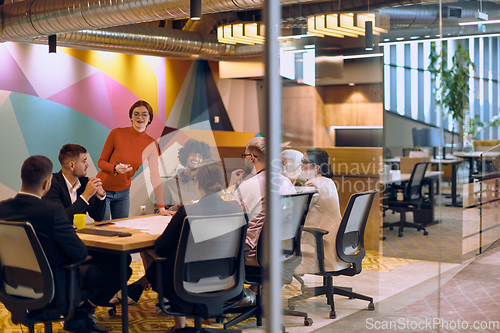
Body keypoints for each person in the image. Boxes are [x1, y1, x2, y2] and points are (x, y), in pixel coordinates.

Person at [0, 156, 124, 333]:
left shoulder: (2, 209)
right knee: (120, 265)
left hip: (12, 284)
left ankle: (79, 314)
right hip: (55, 287)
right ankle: (80, 313)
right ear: (47, 183)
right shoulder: (51, 211)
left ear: (21, 177)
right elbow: (79, 254)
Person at [146, 160, 243, 331]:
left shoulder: (186, 211)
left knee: (161, 265)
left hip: (187, 279)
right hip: (225, 275)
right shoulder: (235, 208)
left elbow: (162, 247)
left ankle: (180, 327)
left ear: (198, 183)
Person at [224, 137, 296, 304]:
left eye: (245, 155)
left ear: (252, 157)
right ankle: (251, 292)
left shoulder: (249, 185)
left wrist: (232, 186)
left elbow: (226, 213)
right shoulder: (286, 182)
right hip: (282, 249)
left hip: (256, 253)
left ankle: (227, 296)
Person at [97, 100, 169, 220]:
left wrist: (161, 207)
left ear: (150, 118)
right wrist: (115, 168)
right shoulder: (116, 133)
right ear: (131, 117)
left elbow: (155, 175)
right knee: (104, 228)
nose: (140, 117)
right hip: (102, 190)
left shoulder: (151, 144)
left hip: (123, 193)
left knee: (122, 229)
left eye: (144, 114)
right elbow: (101, 162)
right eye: (136, 114)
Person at [295, 148, 350, 274]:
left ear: (317, 167)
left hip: (320, 242)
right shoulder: (328, 182)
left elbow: (298, 211)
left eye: (305, 162)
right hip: (335, 241)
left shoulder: (312, 184)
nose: (301, 165)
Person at [44, 144, 106, 222]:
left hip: (80, 232)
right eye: (84, 161)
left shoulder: (84, 182)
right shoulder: (51, 184)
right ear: (72, 165)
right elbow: (60, 218)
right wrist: (85, 196)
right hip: (60, 233)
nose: (87, 165)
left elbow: (97, 216)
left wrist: (101, 195)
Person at [161, 138, 212, 213]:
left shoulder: (208, 183)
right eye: (193, 155)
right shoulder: (168, 184)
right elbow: (156, 214)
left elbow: (222, 199)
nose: (196, 158)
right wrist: (178, 207)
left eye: (200, 157)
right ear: (186, 156)